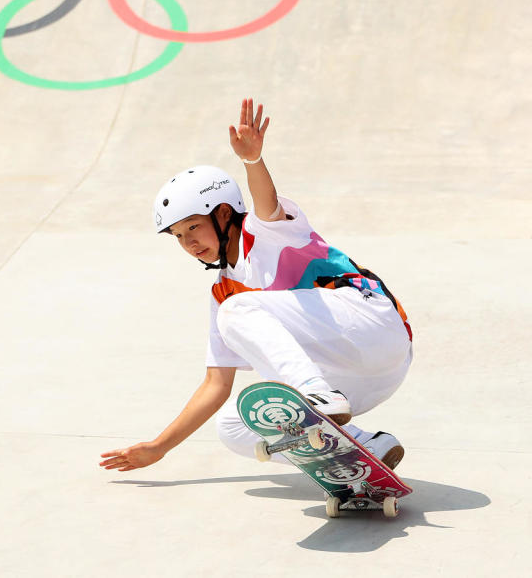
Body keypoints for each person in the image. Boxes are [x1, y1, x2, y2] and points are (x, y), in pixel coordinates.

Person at [99, 98, 413, 474]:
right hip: (362, 380)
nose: (189, 243)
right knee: (234, 425)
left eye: (194, 227)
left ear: (224, 213)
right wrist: (158, 448)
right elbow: (216, 384)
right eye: (179, 236)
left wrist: (252, 160)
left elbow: (266, 204)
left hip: (374, 326)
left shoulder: (263, 233)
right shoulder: (222, 292)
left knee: (238, 310)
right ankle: (364, 448)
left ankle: (316, 395)